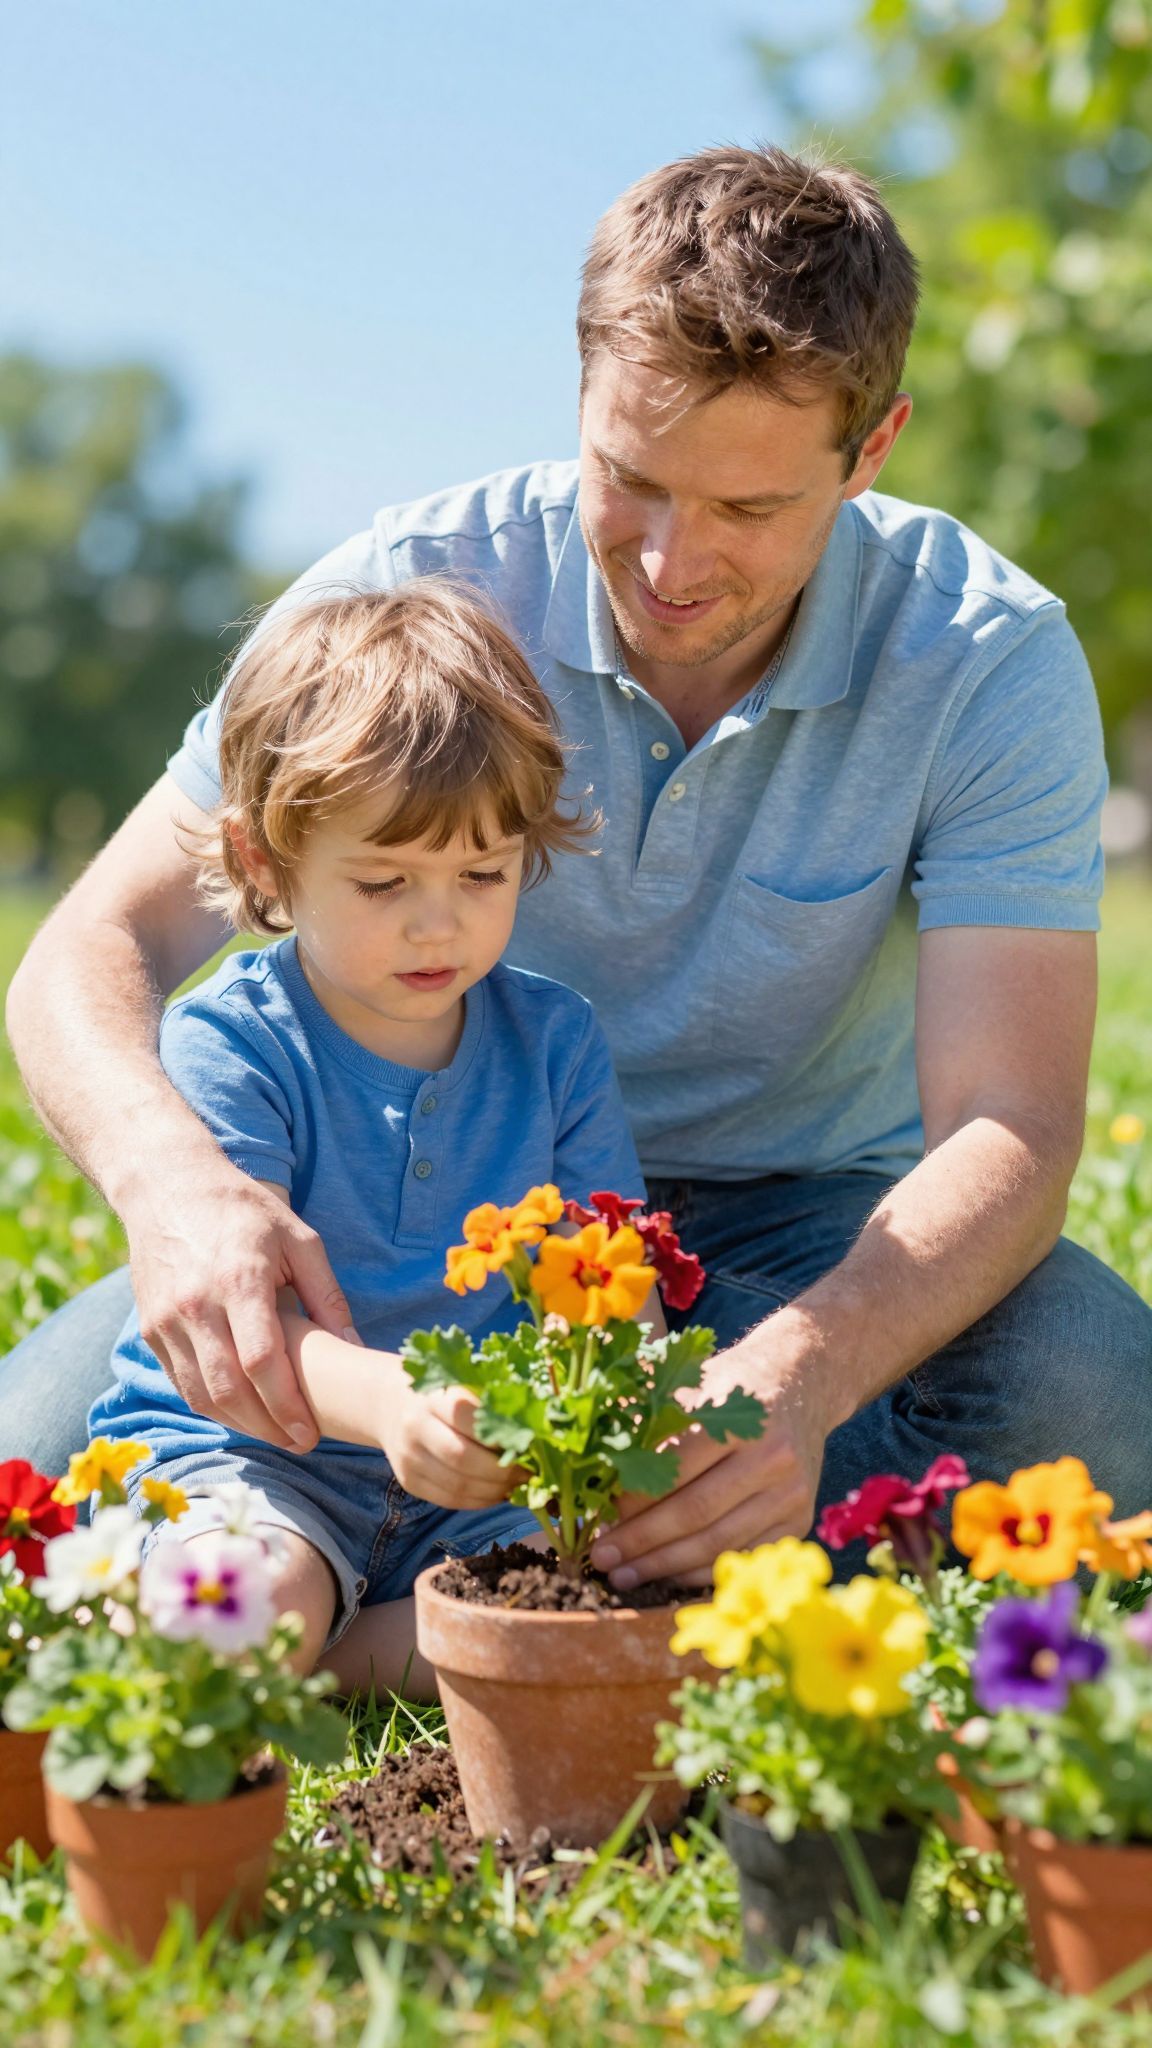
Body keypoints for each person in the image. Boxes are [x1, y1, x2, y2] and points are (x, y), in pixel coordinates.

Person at [5, 144, 1149, 1591]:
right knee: (34, 1462)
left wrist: (805, 1372)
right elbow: (93, 946)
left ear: (871, 452)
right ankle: (548, 1541)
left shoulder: (983, 657)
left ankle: (518, 1544)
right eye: (631, 480)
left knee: (1101, 1400)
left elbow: (1009, 1121)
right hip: (402, 1213)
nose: (671, 563)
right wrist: (174, 1187)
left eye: (749, 510)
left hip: (807, 1222)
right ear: (584, 395)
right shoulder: (413, 588)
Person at [86, 579, 648, 1693]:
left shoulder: (556, 1043)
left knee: (629, 1598)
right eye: (384, 881)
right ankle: (288, 1637)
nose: (439, 921)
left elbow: (608, 1287)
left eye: (483, 873)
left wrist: (611, 1418)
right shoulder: (234, 1043)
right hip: (259, 1454)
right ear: (264, 862)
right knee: (243, 1605)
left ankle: (339, 1658)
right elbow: (244, 1324)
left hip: (474, 1486)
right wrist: (393, 1405)